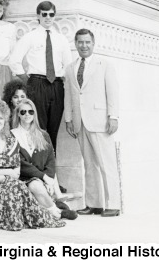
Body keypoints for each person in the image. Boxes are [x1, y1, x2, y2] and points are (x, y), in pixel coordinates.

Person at [0, 101, 65, 231]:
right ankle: (18, 221)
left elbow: (16, 173)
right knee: (12, 191)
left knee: (19, 186)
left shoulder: (11, 141)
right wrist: (7, 171)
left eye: (0, 118)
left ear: (5, 121)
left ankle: (35, 217)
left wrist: (3, 177)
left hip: (7, 182)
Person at [64, 29, 121, 217]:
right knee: (89, 165)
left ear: (93, 43)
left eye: (87, 42)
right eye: (80, 42)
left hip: (100, 121)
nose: (84, 45)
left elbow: (112, 92)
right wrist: (69, 119)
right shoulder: (70, 68)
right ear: (76, 44)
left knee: (107, 164)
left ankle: (113, 204)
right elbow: (69, 96)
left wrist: (113, 116)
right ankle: (94, 204)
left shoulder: (104, 64)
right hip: (80, 123)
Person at [12, 1, 73, 150]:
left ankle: (51, 169)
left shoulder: (61, 39)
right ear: (38, 15)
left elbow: (69, 65)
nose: (48, 18)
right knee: (38, 127)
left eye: (51, 14)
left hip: (57, 86)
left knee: (53, 129)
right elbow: (14, 60)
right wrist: (29, 82)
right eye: (44, 14)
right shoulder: (30, 37)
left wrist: (63, 80)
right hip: (37, 84)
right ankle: (40, 168)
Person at [13, 98, 77, 220]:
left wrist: (49, 178)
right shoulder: (12, 135)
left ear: (34, 114)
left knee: (39, 185)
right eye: (23, 112)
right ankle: (57, 211)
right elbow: (20, 162)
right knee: (36, 185)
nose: (27, 114)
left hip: (43, 177)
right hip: (24, 177)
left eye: (30, 112)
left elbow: (51, 160)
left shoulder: (43, 135)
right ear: (18, 114)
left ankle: (53, 207)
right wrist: (43, 177)